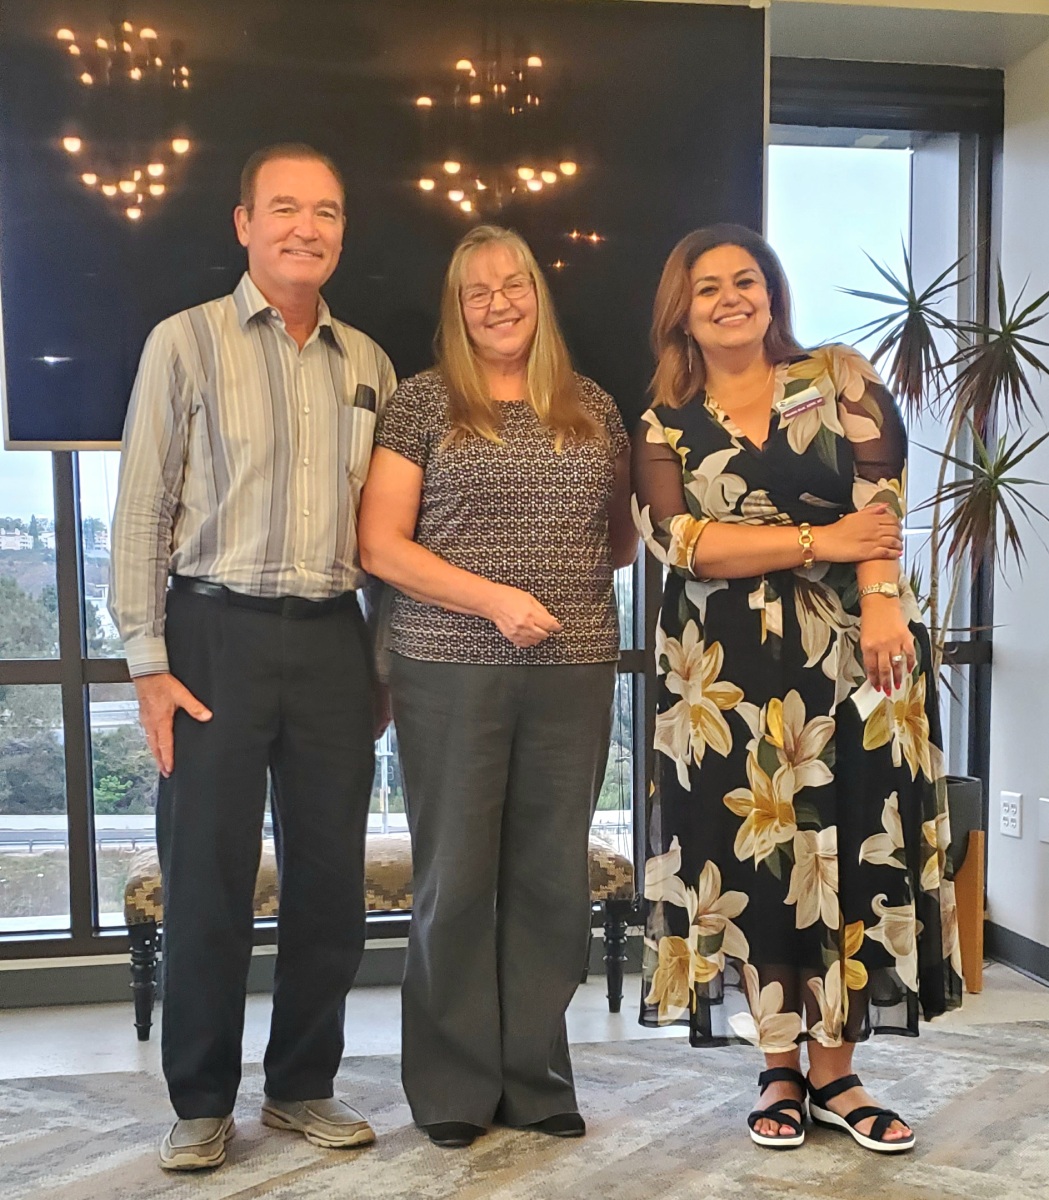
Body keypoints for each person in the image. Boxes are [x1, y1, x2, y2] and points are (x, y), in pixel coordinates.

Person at [632, 224, 962, 1155]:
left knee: (848, 849)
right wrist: (821, 542)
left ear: (771, 293)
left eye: (745, 280)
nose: (729, 298)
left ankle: (837, 1075)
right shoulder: (663, 421)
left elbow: (879, 502)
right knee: (751, 863)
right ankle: (778, 1066)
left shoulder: (837, 377)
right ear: (681, 312)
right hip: (719, 682)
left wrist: (882, 604)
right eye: (707, 288)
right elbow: (680, 543)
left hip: (855, 657)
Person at [110, 143, 396, 1171]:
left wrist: (380, 664)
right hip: (210, 636)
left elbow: (385, 534)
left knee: (329, 883)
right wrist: (147, 662)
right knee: (206, 879)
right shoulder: (183, 343)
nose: (305, 228)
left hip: (331, 638)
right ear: (244, 224)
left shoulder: (369, 366)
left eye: (326, 211)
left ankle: (302, 1086)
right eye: (283, 208)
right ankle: (200, 1101)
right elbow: (142, 506)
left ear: (342, 232)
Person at [358, 224, 636, 1149]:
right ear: (456, 308)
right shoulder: (422, 403)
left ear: (537, 294)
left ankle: (533, 1078)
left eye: (512, 283)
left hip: (574, 667)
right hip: (448, 666)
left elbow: (619, 539)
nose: (497, 302)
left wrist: (552, 581)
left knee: (551, 878)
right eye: (475, 291)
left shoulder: (593, 405)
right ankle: (452, 1085)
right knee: (456, 878)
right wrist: (496, 599)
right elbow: (380, 546)